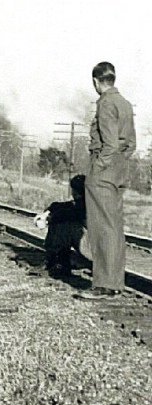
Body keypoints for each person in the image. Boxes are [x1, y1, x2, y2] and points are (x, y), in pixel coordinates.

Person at [75, 61, 136, 301]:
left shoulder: (106, 103)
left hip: (103, 172)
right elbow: (130, 145)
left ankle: (103, 285)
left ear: (96, 82)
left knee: (101, 228)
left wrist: (98, 168)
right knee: (114, 228)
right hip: (119, 170)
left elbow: (109, 144)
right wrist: (117, 164)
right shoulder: (125, 103)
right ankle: (114, 283)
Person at [34, 174, 88, 278]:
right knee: (61, 218)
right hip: (97, 248)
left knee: (63, 222)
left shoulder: (84, 207)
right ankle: (54, 262)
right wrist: (48, 212)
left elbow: (65, 212)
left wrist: (48, 218)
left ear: (76, 192)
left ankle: (58, 263)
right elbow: (58, 205)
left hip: (93, 250)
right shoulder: (86, 203)